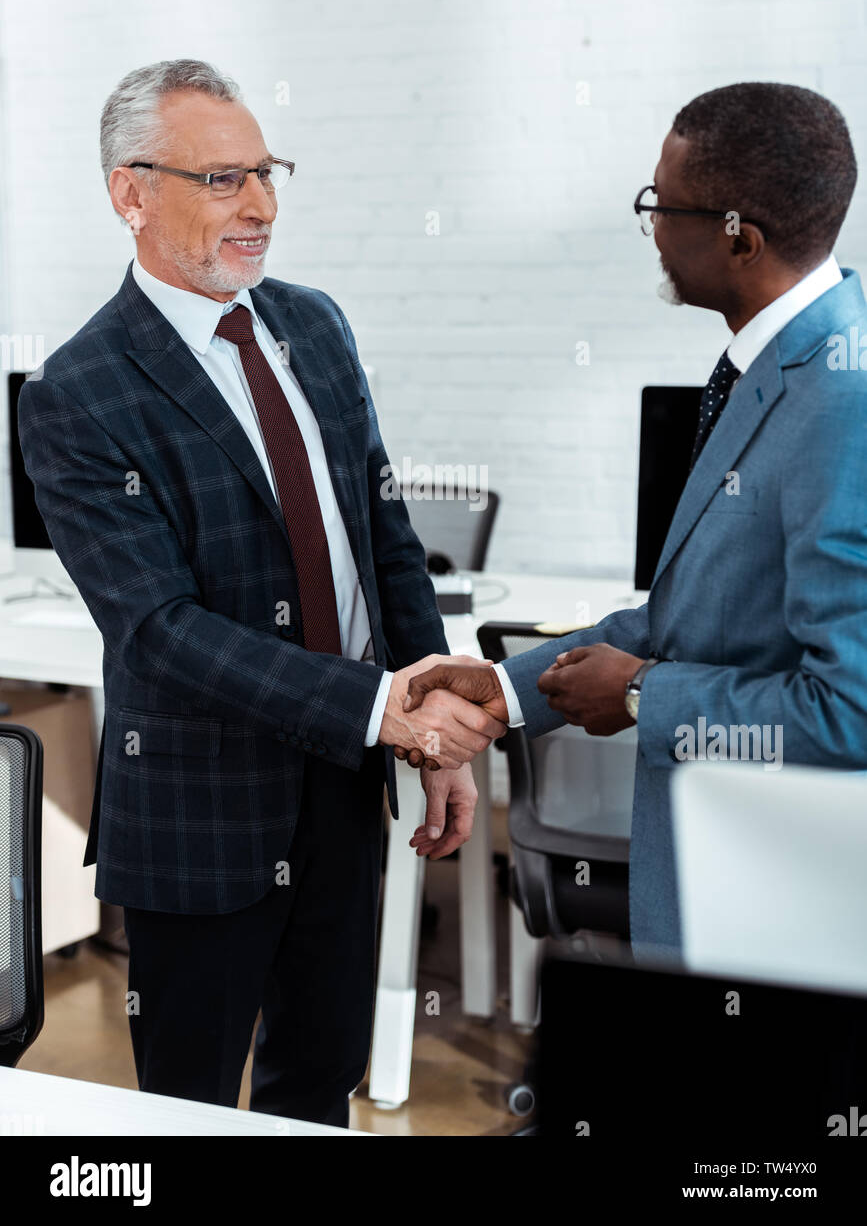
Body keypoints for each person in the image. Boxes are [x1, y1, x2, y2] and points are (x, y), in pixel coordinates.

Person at [17, 58, 505, 1124]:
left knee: (314, 1091)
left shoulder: (314, 324)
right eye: (224, 178)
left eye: (267, 173)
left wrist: (436, 722)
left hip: (342, 788)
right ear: (131, 194)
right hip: (201, 813)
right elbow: (159, 631)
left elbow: (384, 539)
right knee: (191, 1108)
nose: (261, 206)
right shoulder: (76, 394)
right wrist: (381, 708)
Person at [402, 82, 867, 959]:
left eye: (662, 204)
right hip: (714, 888)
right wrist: (501, 691)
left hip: (778, 915)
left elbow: (851, 710)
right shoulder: (771, 368)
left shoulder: (841, 402)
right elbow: (690, 618)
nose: (651, 226)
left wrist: (638, 694)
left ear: (739, 236)